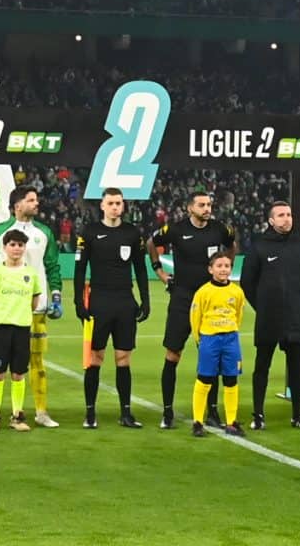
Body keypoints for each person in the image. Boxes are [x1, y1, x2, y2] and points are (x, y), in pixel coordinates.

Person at [152, 190, 236, 430]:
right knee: (173, 355)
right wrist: (159, 271)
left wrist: (224, 266)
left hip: (210, 300)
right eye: (201, 205)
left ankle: (212, 411)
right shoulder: (176, 230)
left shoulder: (220, 229)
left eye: (209, 204)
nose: (207, 208)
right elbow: (152, 242)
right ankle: (167, 412)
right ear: (190, 208)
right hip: (183, 298)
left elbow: (231, 244)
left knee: (211, 358)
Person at [74, 185, 150, 430]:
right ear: (102, 206)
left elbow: (140, 268)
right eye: (111, 203)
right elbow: (79, 269)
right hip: (100, 301)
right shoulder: (90, 232)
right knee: (96, 358)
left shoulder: (132, 233)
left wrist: (145, 299)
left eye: (119, 203)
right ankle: (90, 412)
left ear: (123, 205)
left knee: (123, 358)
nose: (115, 207)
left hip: (124, 301)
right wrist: (78, 302)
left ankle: (126, 413)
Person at [245, 200, 300, 429]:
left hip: (295, 317)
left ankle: (297, 415)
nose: (287, 218)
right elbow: (248, 283)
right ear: (271, 220)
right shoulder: (259, 246)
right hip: (269, 318)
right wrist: (263, 306)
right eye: (281, 215)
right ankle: (258, 415)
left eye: (289, 214)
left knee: (296, 368)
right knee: (262, 366)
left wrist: (296, 303)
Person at [3, 184, 62, 429]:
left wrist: (56, 294)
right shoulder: (0, 231)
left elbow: (53, 266)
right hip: (7, 309)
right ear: (18, 205)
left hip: (36, 308)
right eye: (31, 200)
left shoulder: (44, 232)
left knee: (37, 361)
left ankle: (41, 411)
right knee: (0, 362)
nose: (36, 203)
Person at [0, 228, 45, 432]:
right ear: (5, 247)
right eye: (13, 245)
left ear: (25, 248)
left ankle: (17, 416)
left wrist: (20, 314)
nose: (17, 249)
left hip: (22, 327)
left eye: (20, 245)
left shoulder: (30, 274)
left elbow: (34, 301)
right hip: (0, 327)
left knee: (18, 373)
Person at [184, 249, 249, 438]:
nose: (223, 270)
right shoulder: (203, 292)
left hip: (230, 339)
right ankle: (197, 421)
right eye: (219, 266)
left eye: (227, 266)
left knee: (231, 380)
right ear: (210, 269)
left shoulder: (236, 292)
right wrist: (199, 339)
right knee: (205, 379)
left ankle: (231, 422)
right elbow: (195, 316)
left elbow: (239, 315)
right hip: (209, 339)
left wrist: (231, 330)